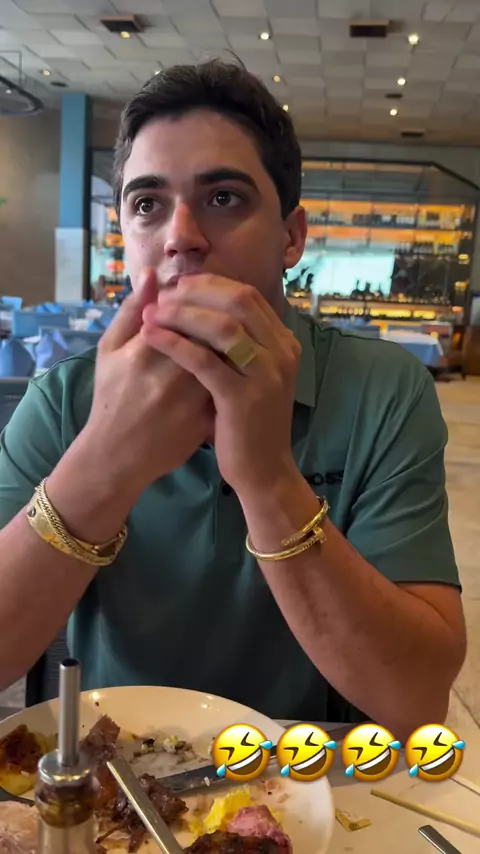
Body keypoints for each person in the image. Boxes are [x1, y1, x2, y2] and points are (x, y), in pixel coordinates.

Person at [0, 61, 465, 741]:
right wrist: (105, 459)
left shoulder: (382, 390)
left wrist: (267, 476)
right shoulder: (64, 399)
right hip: (115, 775)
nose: (180, 235)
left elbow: (416, 701)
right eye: (147, 204)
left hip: (313, 775)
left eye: (223, 197)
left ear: (291, 237)